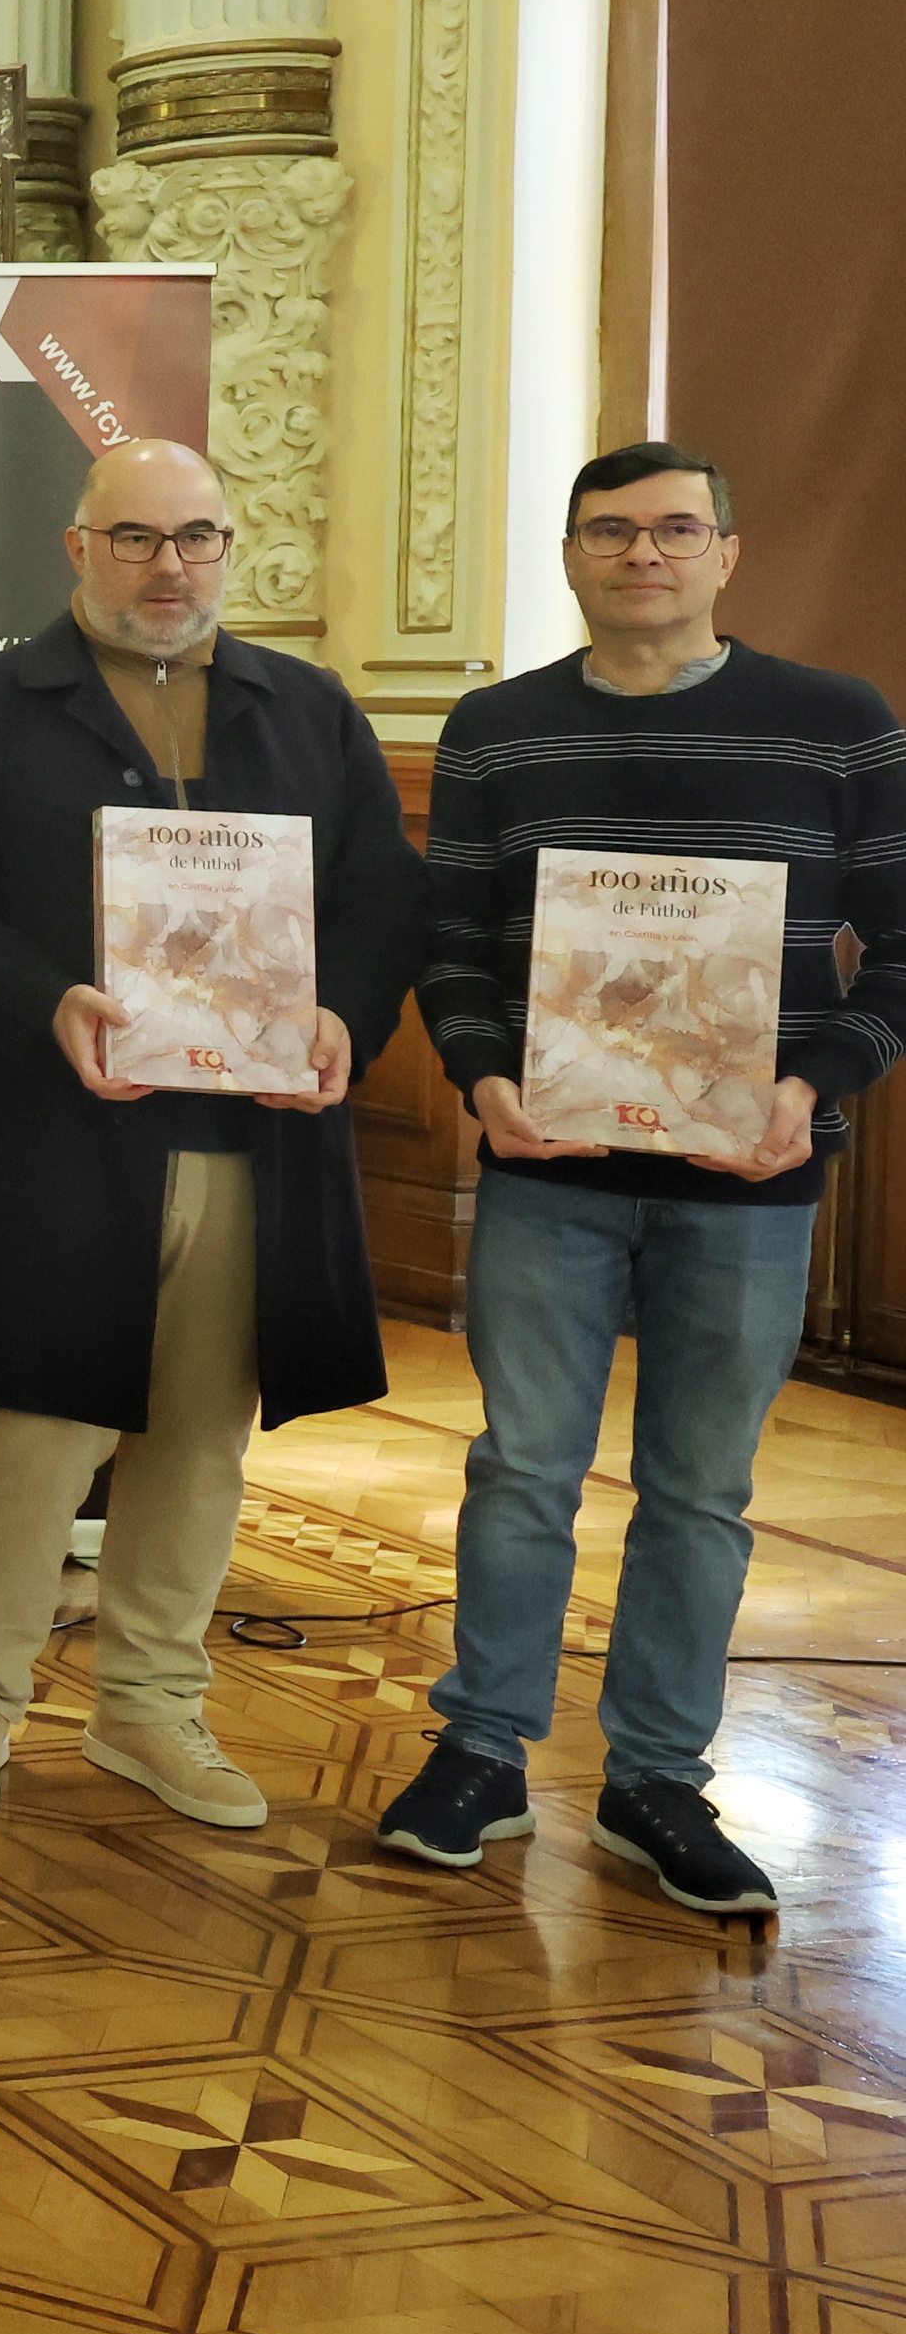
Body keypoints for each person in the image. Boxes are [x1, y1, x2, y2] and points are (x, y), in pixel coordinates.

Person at [380, 444, 906, 1913]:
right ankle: (482, 1752)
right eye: (610, 531)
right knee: (521, 1470)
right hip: (549, 1168)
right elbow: (452, 949)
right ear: (570, 555)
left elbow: (901, 952)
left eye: (677, 529)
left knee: (700, 1490)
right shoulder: (496, 731)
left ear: (728, 552)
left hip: (753, 1174)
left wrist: (814, 1084)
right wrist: (480, 1078)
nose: (644, 555)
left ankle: (657, 1778)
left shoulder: (839, 726)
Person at [0, 439, 423, 1830]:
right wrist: (43, 1000)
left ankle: (150, 1704)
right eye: (134, 537)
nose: (168, 566)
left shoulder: (307, 708)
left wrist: (344, 1019)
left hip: (259, 1142)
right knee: (32, 1434)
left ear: (230, 548)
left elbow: (381, 896)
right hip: (64, 1131)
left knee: (200, 1437)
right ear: (79, 548)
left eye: (196, 537)